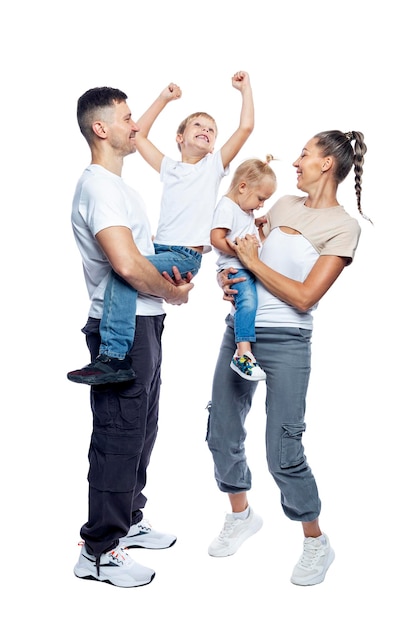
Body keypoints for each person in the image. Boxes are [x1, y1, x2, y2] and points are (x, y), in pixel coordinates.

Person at [206, 129, 370, 586]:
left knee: (283, 452)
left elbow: (304, 296)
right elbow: (244, 260)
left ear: (326, 165)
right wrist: (233, 281)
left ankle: (316, 541)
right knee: (220, 433)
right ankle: (241, 516)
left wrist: (253, 263)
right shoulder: (280, 208)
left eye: (303, 154)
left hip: (288, 342)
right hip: (240, 334)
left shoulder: (343, 227)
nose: (294, 163)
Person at [70, 86, 193, 588]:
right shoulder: (99, 187)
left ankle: (129, 520)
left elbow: (141, 260)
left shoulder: (121, 188)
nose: (136, 126)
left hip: (146, 323)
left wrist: (167, 290)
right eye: (126, 118)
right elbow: (125, 264)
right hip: (120, 332)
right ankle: (99, 550)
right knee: (118, 438)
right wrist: (177, 293)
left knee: (142, 431)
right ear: (102, 128)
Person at [67, 71, 254, 385]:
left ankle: (112, 356)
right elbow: (138, 136)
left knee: (122, 272)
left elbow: (245, 127)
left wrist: (244, 89)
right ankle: (114, 355)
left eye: (212, 129)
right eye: (198, 124)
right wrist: (164, 99)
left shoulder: (213, 167)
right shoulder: (170, 168)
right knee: (127, 270)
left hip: (184, 256)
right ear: (180, 137)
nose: (206, 130)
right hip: (160, 250)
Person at [210, 157, 277, 381]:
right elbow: (216, 238)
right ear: (243, 187)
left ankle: (245, 349)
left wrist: (256, 224)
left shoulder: (244, 210)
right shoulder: (227, 207)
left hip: (246, 266)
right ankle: (243, 353)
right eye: (260, 198)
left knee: (251, 302)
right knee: (247, 302)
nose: (261, 205)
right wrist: (240, 251)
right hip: (235, 268)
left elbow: (243, 229)